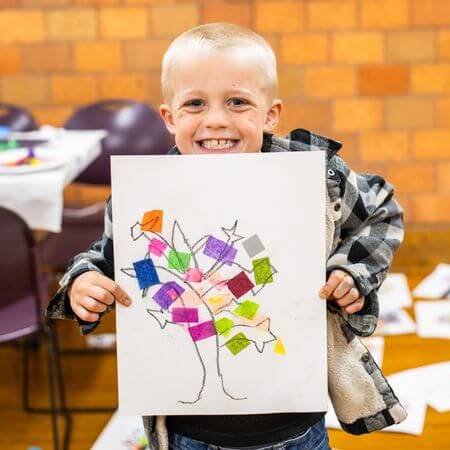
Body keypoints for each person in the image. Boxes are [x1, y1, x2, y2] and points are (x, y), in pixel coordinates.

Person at [47, 23, 406, 450]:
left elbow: (381, 211)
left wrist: (352, 272)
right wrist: (83, 282)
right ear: (170, 117)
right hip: (187, 432)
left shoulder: (314, 177)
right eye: (195, 103)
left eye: (237, 102)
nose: (216, 120)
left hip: (296, 425)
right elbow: (107, 258)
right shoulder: (148, 194)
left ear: (270, 114)